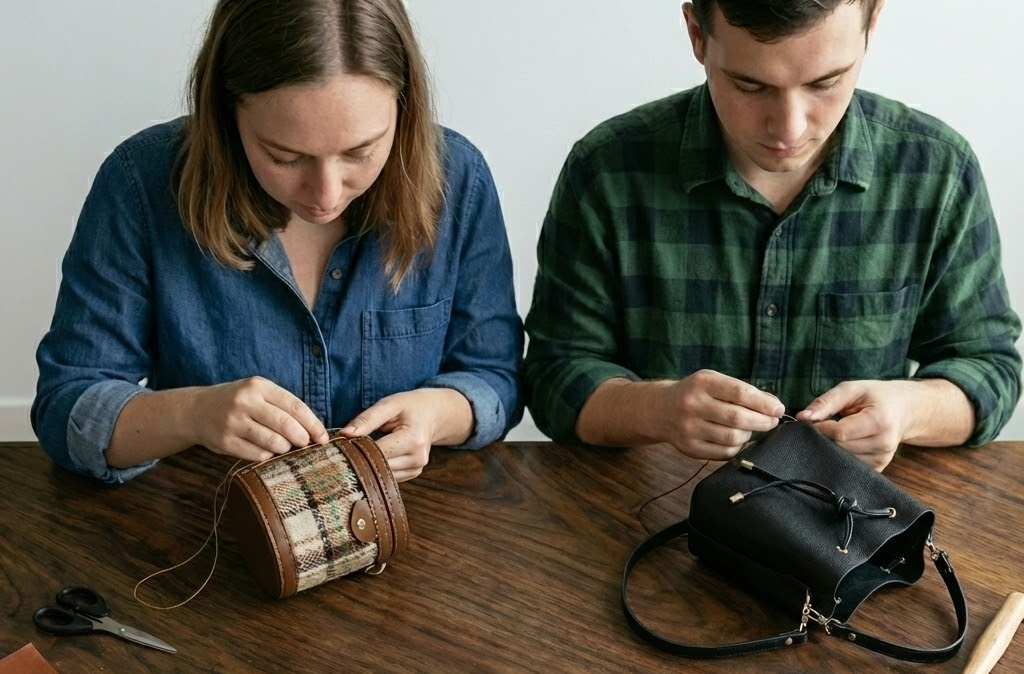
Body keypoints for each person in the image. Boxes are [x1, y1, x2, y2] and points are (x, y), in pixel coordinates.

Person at [33, 0, 523, 485]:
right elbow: (67, 406)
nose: (326, 194)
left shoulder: (459, 180)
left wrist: (436, 413)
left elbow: (495, 378)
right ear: (227, 115)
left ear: (404, 107)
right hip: (210, 530)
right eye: (284, 157)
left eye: (360, 152)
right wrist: (193, 414)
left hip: (410, 527)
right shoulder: (140, 185)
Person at [523, 0, 1022, 471]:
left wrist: (907, 410)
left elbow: (990, 366)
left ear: (872, 24)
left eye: (826, 82)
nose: (789, 127)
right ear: (698, 34)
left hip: (856, 525)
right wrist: (657, 410)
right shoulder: (607, 170)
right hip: (652, 518)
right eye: (749, 85)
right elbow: (552, 376)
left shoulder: (937, 172)